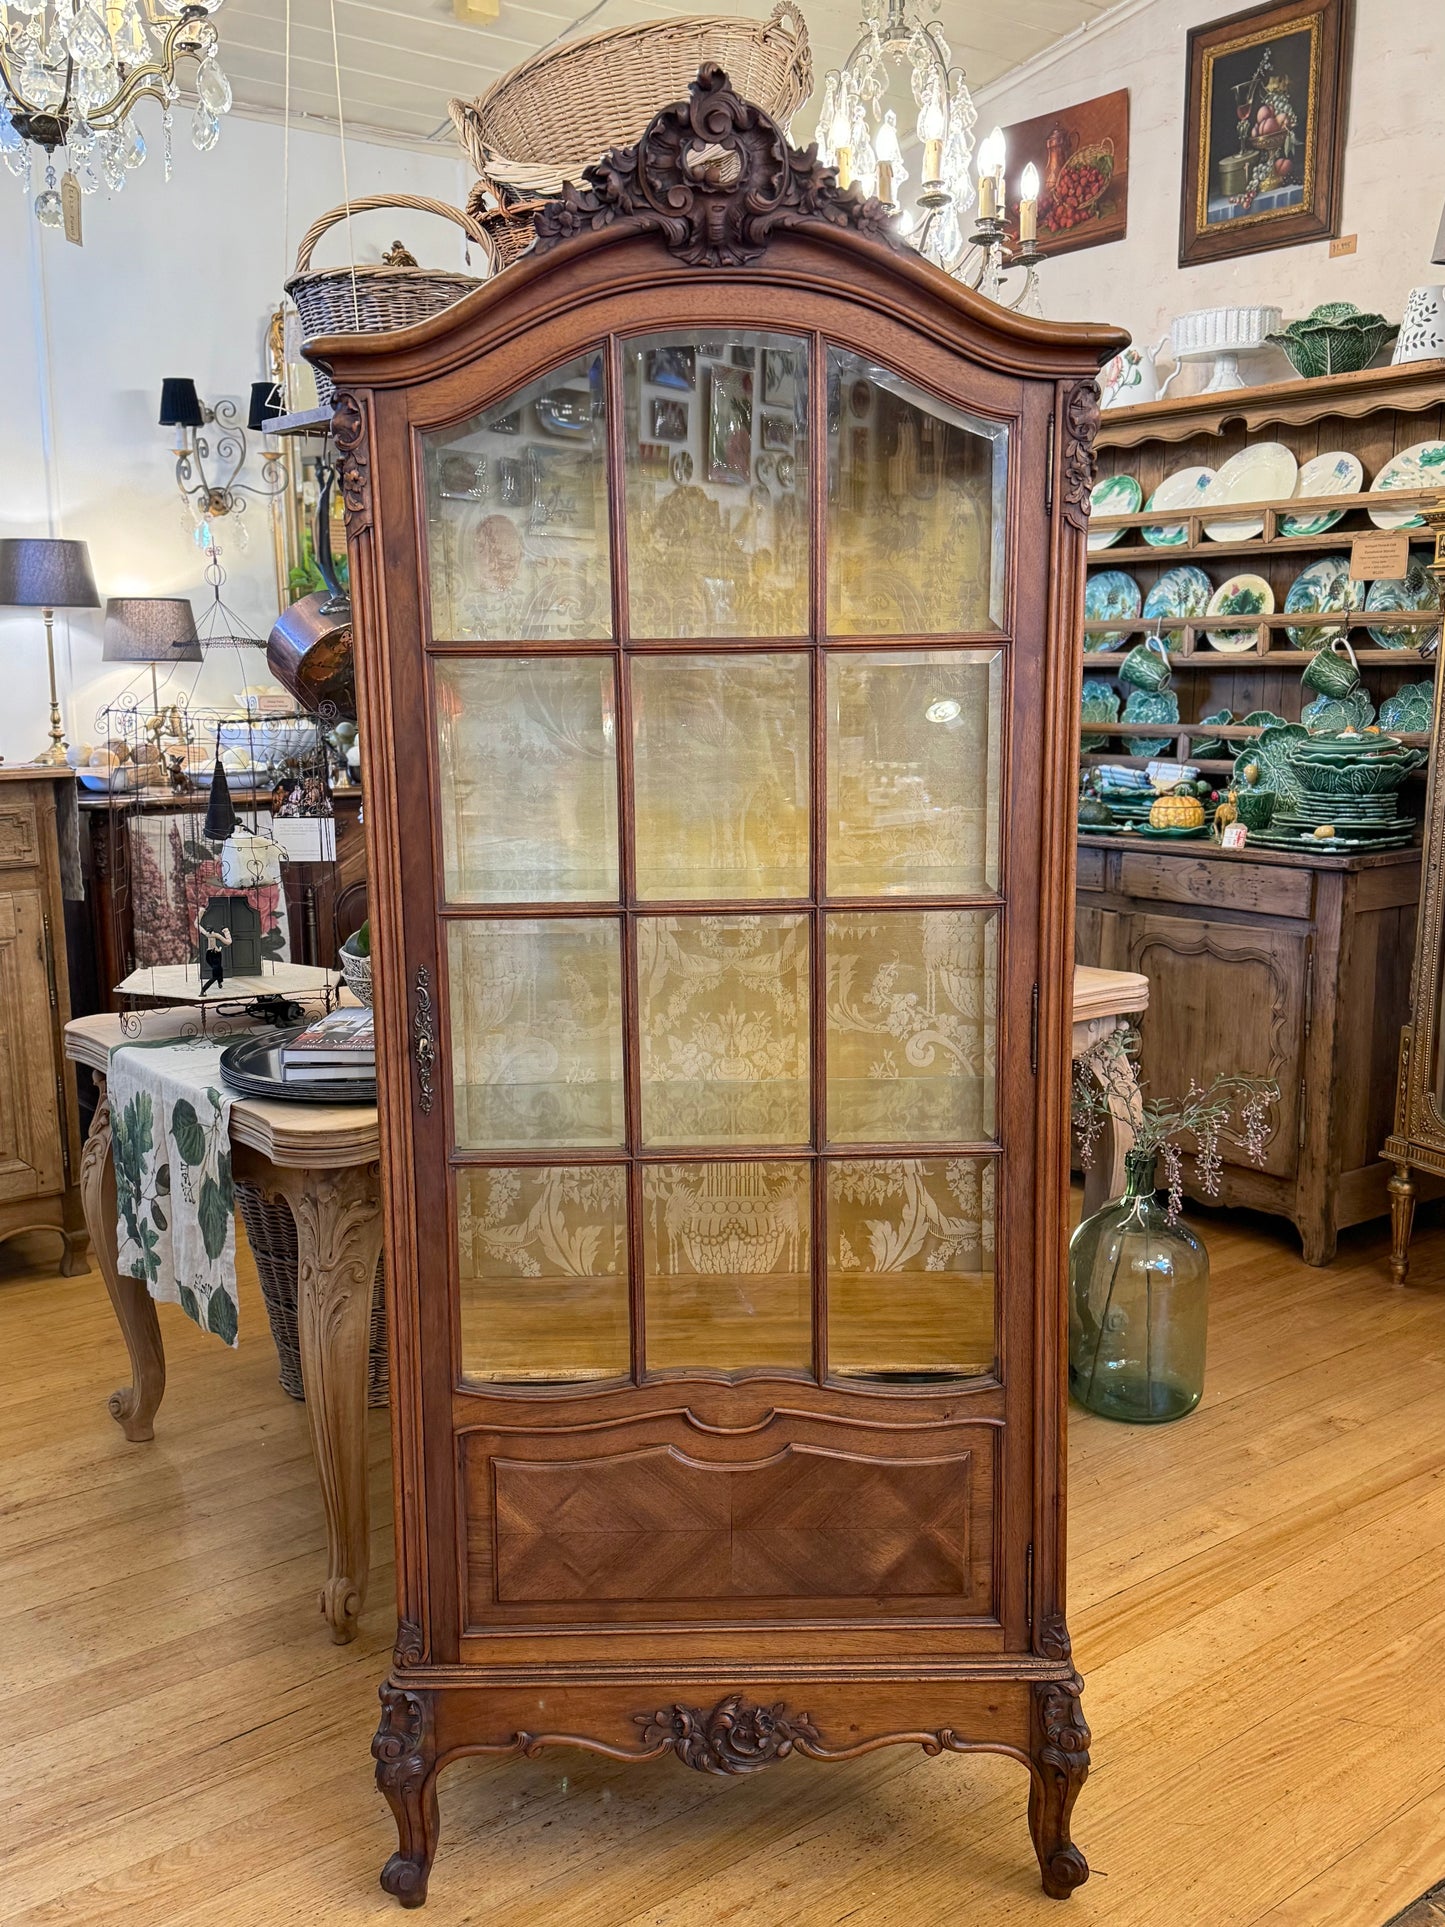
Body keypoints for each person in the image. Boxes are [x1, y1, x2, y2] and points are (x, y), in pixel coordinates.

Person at [201, 923, 231, 994]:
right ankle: (203, 990)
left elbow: (198, 926)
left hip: (212, 954)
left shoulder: (208, 934)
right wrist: (226, 931)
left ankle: (219, 982)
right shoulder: (215, 935)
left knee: (219, 969)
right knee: (215, 975)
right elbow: (229, 942)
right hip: (213, 955)